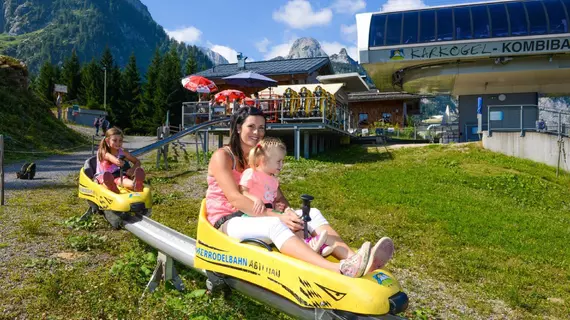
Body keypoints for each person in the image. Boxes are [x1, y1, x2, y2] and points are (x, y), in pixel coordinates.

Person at [206, 106, 394, 278]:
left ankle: (355, 258)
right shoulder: (222, 156)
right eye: (251, 126)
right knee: (274, 225)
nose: (257, 132)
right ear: (238, 128)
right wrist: (278, 217)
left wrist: (287, 212)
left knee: (311, 213)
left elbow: (278, 195)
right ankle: (339, 269)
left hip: (256, 216)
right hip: (229, 220)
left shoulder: (258, 159)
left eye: (262, 127)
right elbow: (236, 198)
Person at [240, 137, 333, 257]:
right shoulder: (251, 173)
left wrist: (278, 206)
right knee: (286, 222)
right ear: (263, 160)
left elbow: (272, 199)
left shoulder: (273, 180)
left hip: (269, 212)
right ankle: (308, 243)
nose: (282, 165)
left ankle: (309, 241)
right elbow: (242, 192)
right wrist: (255, 199)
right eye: (278, 161)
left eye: (282, 161)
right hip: (254, 214)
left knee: (293, 218)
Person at [95, 127, 145, 193]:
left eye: (120, 140)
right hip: (104, 176)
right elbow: (109, 157)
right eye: (114, 140)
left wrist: (133, 169)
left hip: (118, 175)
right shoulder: (103, 151)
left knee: (123, 180)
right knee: (105, 181)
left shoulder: (123, 151)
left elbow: (137, 162)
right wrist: (117, 161)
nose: (118, 143)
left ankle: (135, 184)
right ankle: (111, 187)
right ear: (107, 141)